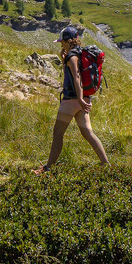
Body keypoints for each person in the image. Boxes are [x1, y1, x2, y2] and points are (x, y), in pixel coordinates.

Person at [36, 25, 110, 173]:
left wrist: (80, 99)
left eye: (62, 42)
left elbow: (76, 76)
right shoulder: (80, 53)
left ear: (67, 41)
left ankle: (48, 168)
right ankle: (106, 164)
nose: (61, 44)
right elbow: (73, 74)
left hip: (71, 100)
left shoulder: (72, 56)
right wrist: (64, 61)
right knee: (88, 133)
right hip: (84, 99)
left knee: (58, 134)